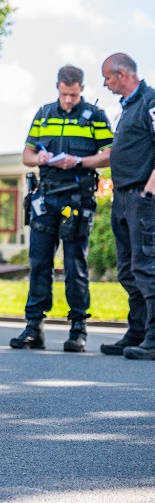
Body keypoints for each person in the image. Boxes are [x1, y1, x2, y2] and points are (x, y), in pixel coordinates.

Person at [11, 65, 112, 351]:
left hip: (78, 197)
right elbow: (26, 155)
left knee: (74, 265)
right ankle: (33, 329)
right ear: (57, 87)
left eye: (74, 94)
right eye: (64, 94)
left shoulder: (95, 116)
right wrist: (41, 158)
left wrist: (79, 162)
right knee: (39, 263)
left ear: (81, 88)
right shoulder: (44, 114)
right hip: (47, 195)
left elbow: (109, 154)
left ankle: (78, 330)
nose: (68, 100)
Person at [101, 53, 155, 360]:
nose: (105, 84)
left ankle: (154, 337)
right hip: (122, 198)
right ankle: (137, 331)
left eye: (107, 77)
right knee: (128, 270)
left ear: (121, 75)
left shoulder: (150, 102)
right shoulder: (128, 108)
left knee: (147, 266)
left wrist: (148, 194)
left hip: (141, 198)